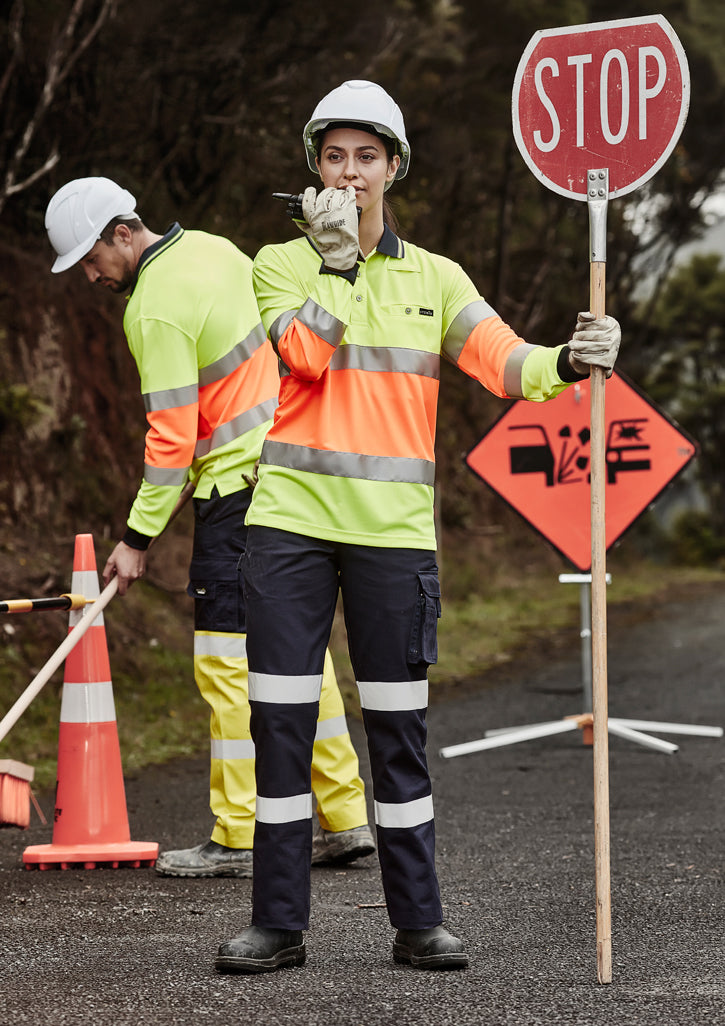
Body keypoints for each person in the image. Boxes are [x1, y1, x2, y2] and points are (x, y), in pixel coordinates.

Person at [214, 80, 621, 974]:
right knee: (279, 726)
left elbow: (504, 361)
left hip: (393, 542)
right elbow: (304, 358)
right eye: (333, 157)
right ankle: (277, 925)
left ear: (393, 167)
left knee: (397, 733)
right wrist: (332, 266)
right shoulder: (276, 265)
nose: (349, 172)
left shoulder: (436, 276)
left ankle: (418, 922)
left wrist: (570, 357)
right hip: (286, 531)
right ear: (314, 170)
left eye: (366, 157)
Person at [43, 176, 375, 877]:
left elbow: (170, 441)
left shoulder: (153, 311)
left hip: (236, 494)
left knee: (226, 667)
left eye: (91, 260)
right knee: (299, 655)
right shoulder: (218, 249)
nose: (91, 277)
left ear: (122, 233)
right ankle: (345, 820)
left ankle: (238, 833)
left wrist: (134, 542)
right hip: (293, 477)